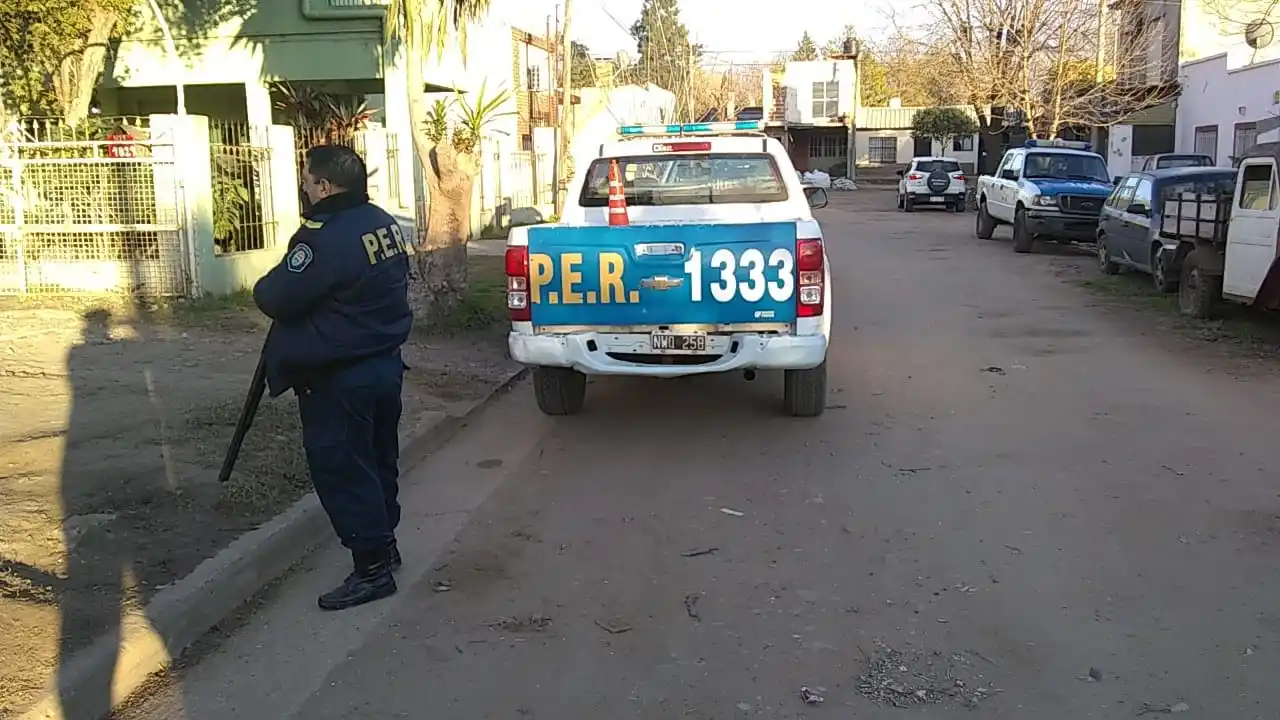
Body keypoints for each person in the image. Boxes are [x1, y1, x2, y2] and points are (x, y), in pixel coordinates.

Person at [253, 145, 413, 611]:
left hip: (338, 377)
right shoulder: (381, 221)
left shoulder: (323, 237)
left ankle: (372, 570)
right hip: (383, 365)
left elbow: (276, 297)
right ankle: (386, 545)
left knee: (344, 468)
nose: (304, 187)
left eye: (307, 180)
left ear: (325, 186)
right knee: (379, 460)